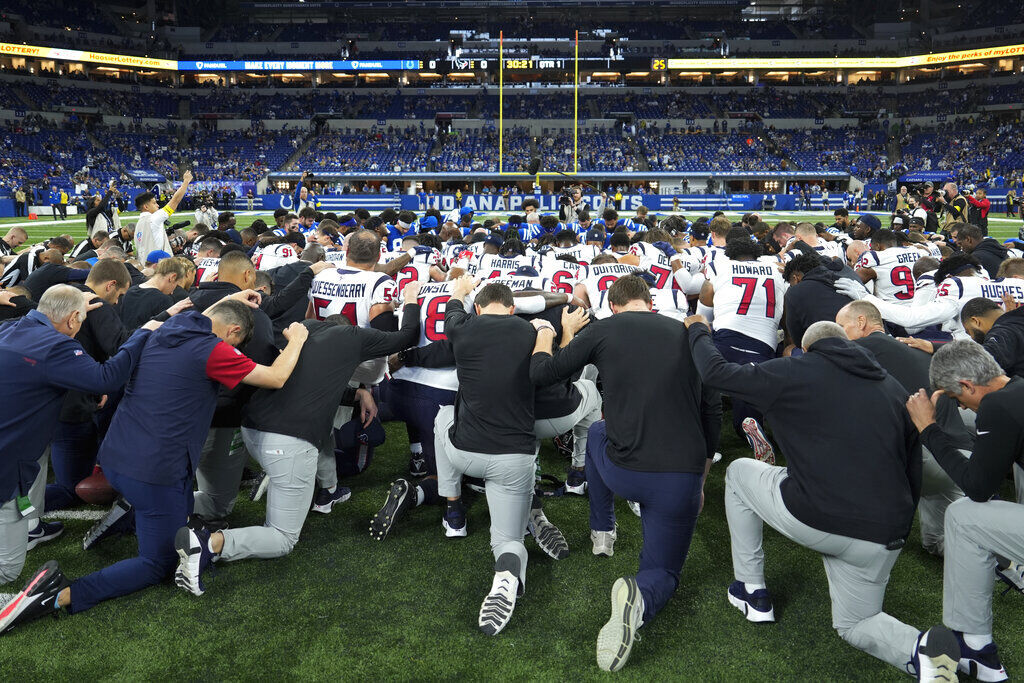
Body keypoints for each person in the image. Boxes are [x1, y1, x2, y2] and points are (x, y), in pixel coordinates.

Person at [0, 294, 309, 632]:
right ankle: (55, 596)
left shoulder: (160, 330)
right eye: (237, 341)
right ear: (232, 332)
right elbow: (276, 377)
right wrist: (298, 339)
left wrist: (228, 300)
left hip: (116, 459)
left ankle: (127, 513)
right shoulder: (213, 349)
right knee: (158, 562)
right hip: (155, 471)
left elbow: (205, 317)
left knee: (171, 507)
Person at [685, 317, 960, 678]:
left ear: (806, 348)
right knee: (856, 623)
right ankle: (920, 651)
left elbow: (715, 372)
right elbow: (912, 469)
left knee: (738, 473)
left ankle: (752, 592)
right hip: (885, 532)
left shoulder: (793, 370)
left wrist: (698, 330)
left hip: (819, 515)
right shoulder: (891, 386)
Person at [171, 282, 423, 596]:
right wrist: (410, 300)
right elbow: (406, 336)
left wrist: (354, 392)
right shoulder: (355, 336)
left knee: (224, 499)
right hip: (288, 441)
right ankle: (210, 545)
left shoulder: (303, 328)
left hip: (251, 429)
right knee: (282, 538)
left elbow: (305, 376)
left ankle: (153, 506)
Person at [531, 275, 712, 672]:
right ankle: (640, 596)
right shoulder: (686, 332)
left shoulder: (604, 329)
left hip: (625, 469)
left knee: (597, 429)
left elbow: (544, 374)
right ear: (650, 302)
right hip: (680, 475)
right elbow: (711, 408)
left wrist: (550, 333)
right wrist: (703, 474)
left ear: (613, 306)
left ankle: (603, 532)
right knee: (661, 572)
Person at [0, 285, 153, 587]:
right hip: (8, 460)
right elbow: (107, 377)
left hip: (14, 441)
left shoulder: (8, 328)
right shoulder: (56, 347)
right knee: (8, 568)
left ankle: (31, 525)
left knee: (37, 469)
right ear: (72, 320)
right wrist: (141, 335)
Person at [906, 341, 1024, 680]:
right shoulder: (1017, 388)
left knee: (963, 515)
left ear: (969, 385)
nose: (965, 411)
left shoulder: (999, 405)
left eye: (959, 400)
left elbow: (977, 488)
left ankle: (975, 646)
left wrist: (929, 430)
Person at [431, 277, 541, 637]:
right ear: (512, 309)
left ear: (478, 309)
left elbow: (453, 306)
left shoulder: (463, 327)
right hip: (515, 458)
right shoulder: (529, 333)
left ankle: (454, 511)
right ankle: (506, 576)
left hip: (465, 454)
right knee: (507, 540)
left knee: (442, 416)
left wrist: (461, 289)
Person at [836, 300, 968, 555]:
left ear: (861, 322)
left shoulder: (861, 348)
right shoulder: (915, 347)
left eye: (842, 327)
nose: (840, 335)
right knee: (936, 542)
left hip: (926, 460)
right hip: (961, 458)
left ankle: (859, 528)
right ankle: (1002, 556)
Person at [134, 171, 193, 264]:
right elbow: (175, 201)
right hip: (158, 267)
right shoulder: (153, 219)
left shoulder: (138, 225)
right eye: (154, 203)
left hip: (145, 266)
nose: (157, 205)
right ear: (146, 207)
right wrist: (186, 182)